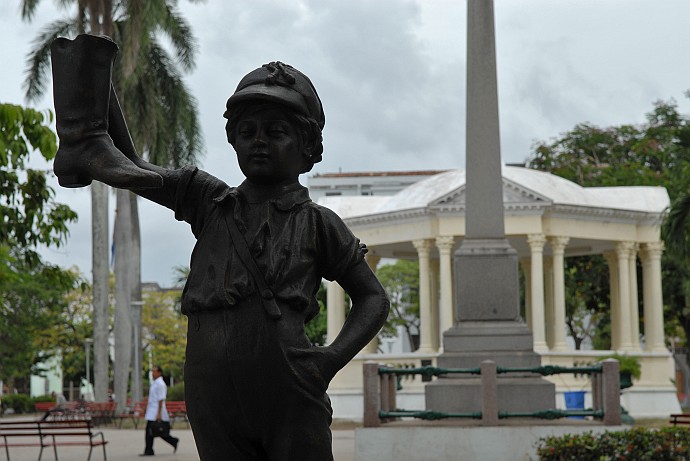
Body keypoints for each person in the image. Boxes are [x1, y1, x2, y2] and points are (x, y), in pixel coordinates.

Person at [51, 35, 390, 461]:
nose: (259, 141)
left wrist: (328, 361)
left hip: (288, 386)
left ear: (308, 149)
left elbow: (373, 297)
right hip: (212, 391)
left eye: (276, 132)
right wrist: (89, 123)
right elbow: (131, 166)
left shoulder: (317, 222)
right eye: (246, 132)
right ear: (232, 141)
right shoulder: (209, 201)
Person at [141, 365, 179, 456]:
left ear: (159, 372)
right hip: (151, 410)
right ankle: (150, 449)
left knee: (156, 430)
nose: (153, 373)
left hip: (156, 411)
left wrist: (159, 413)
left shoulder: (161, 384)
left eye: (154, 371)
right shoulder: (155, 383)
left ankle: (150, 450)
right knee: (153, 431)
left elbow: (161, 399)